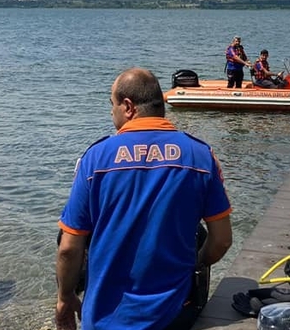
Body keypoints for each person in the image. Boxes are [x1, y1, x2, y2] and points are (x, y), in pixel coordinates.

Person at [55, 68, 233, 330]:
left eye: (112, 105)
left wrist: (65, 298)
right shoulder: (200, 156)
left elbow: (69, 248)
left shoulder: (95, 160)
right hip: (174, 314)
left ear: (128, 107)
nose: (111, 112)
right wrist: (194, 264)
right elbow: (221, 241)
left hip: (105, 318)